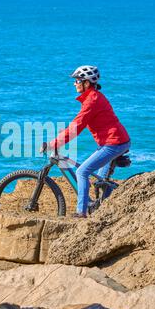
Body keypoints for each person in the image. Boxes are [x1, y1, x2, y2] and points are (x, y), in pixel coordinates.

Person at [47, 65, 131, 218]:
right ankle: (103, 207)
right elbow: (78, 123)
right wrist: (62, 136)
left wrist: (54, 143)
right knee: (101, 183)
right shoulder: (93, 98)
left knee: (82, 172)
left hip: (114, 143)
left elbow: (77, 126)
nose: (74, 83)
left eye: (77, 80)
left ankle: (82, 212)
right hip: (115, 141)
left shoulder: (92, 101)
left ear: (86, 83)